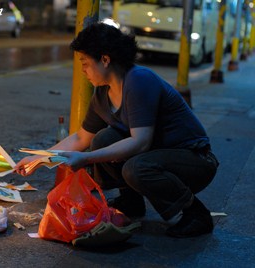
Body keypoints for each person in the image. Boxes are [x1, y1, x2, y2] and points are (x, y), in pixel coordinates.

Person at [15, 20, 219, 238]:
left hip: (195, 160)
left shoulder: (139, 80)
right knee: (104, 139)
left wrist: (87, 159)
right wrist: (40, 158)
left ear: (105, 59)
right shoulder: (102, 93)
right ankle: (131, 201)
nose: (83, 70)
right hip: (157, 156)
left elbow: (140, 141)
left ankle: (196, 213)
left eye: (85, 62)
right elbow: (81, 138)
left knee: (135, 168)